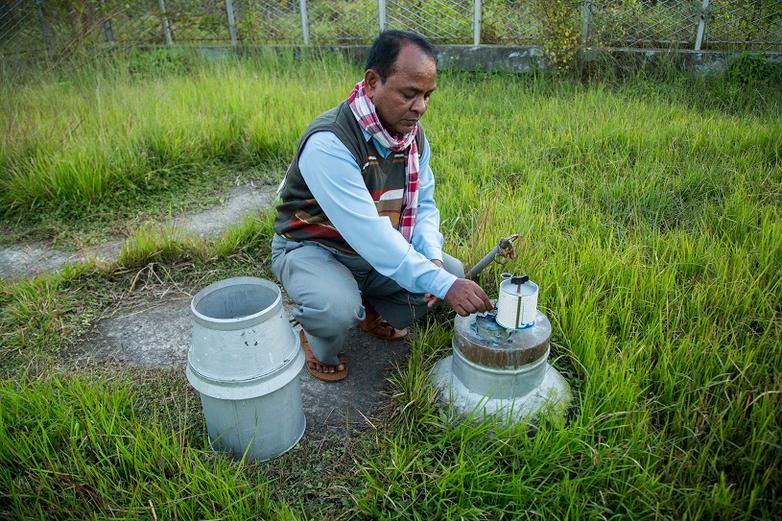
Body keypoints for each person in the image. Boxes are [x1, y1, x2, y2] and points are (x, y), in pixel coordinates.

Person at [271, 30, 492, 382]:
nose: (420, 107)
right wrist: (441, 283)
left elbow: (424, 205)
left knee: (451, 270)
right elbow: (371, 236)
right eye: (409, 93)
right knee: (335, 309)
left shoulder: (412, 138)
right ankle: (315, 336)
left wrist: (433, 260)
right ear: (373, 82)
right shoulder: (330, 142)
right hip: (314, 248)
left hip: (371, 252)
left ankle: (370, 306)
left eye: (427, 95)